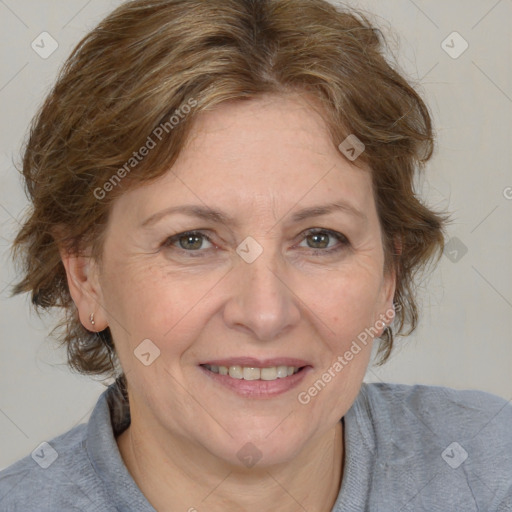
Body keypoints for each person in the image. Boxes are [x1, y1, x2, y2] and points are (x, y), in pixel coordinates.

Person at [1, 0, 511, 510]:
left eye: (319, 239)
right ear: (86, 277)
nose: (265, 314)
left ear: (388, 279)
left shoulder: (490, 470)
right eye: (192, 240)